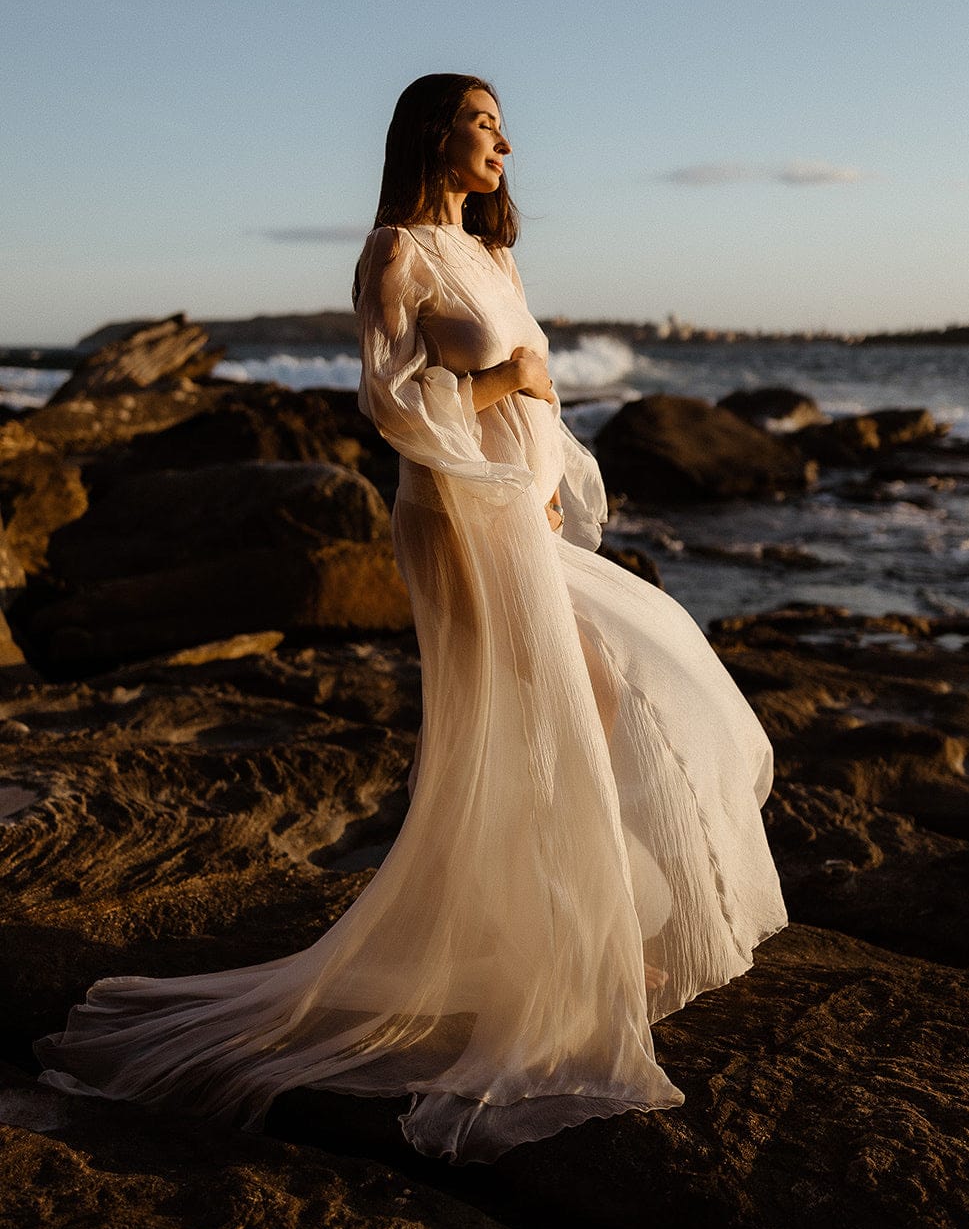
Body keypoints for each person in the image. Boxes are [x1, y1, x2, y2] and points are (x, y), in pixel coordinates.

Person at [35, 74, 787, 1164]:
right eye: (485, 123)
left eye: (500, 124)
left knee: (617, 695)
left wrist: (542, 459)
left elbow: (534, 393)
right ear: (435, 134)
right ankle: (585, 951)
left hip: (512, 514)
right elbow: (389, 402)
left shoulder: (493, 255)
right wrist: (508, 386)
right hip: (452, 517)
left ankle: (591, 934)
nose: (505, 142)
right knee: (557, 715)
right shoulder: (396, 252)